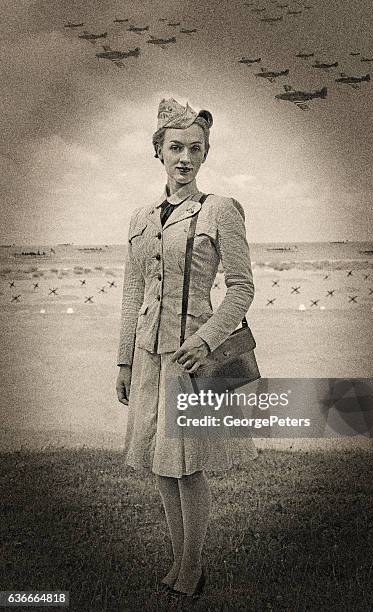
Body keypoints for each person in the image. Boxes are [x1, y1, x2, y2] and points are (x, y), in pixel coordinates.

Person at [116, 98, 258, 598]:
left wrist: (204, 340)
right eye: (175, 147)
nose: (185, 158)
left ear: (204, 155)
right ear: (158, 151)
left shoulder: (219, 209)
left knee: (188, 464)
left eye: (194, 149)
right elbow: (133, 294)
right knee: (160, 462)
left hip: (192, 358)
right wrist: (124, 360)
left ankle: (193, 565)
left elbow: (241, 287)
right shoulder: (141, 216)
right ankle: (179, 560)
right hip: (149, 359)